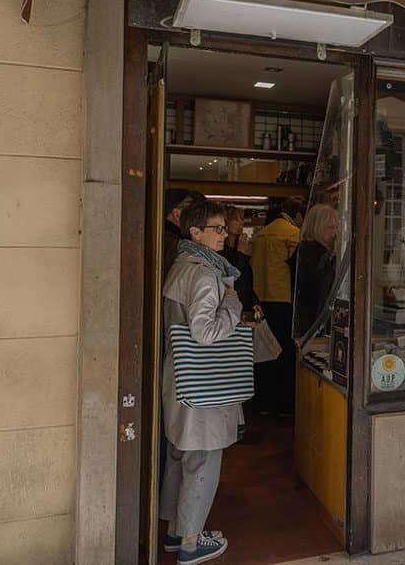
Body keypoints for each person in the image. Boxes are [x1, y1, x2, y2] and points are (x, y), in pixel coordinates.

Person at [159, 200, 242, 564]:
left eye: (225, 228)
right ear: (196, 232)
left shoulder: (180, 265)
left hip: (179, 376)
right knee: (203, 459)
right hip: (204, 381)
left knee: (181, 455)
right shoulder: (206, 273)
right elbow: (205, 332)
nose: (225, 235)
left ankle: (177, 531)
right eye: (218, 228)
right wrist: (233, 308)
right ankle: (192, 543)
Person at [250, 195, 307, 415]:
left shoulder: (262, 233)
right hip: (283, 300)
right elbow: (298, 272)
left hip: (261, 298)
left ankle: (263, 400)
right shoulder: (292, 234)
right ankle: (284, 402)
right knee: (284, 352)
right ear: (297, 215)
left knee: (264, 350)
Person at [288, 204, 338, 338]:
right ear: (318, 228)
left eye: (336, 227)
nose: (335, 232)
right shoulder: (317, 253)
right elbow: (319, 288)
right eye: (331, 227)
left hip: (302, 319)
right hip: (313, 321)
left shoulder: (303, 249)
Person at [219, 207, 261, 316]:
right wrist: (241, 253)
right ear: (225, 223)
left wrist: (254, 301)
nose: (241, 223)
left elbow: (246, 279)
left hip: (245, 305)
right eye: (236, 219)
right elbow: (231, 276)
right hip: (228, 305)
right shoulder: (220, 248)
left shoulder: (240, 245)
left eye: (242, 219)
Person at [163, 189, 207, 278]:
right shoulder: (177, 245)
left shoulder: (168, 238)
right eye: (195, 213)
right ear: (177, 214)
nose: (201, 220)